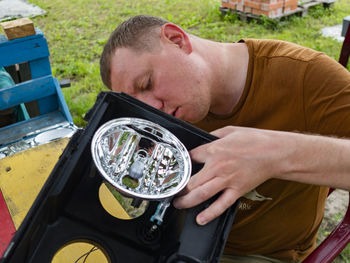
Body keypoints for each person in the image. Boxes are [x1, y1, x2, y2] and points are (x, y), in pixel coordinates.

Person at [99, 15, 350, 262]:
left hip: (259, 254)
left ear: (177, 40)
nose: (153, 110)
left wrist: (275, 154)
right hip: (173, 242)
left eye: (147, 83)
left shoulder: (305, 77)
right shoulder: (163, 110)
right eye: (137, 104)